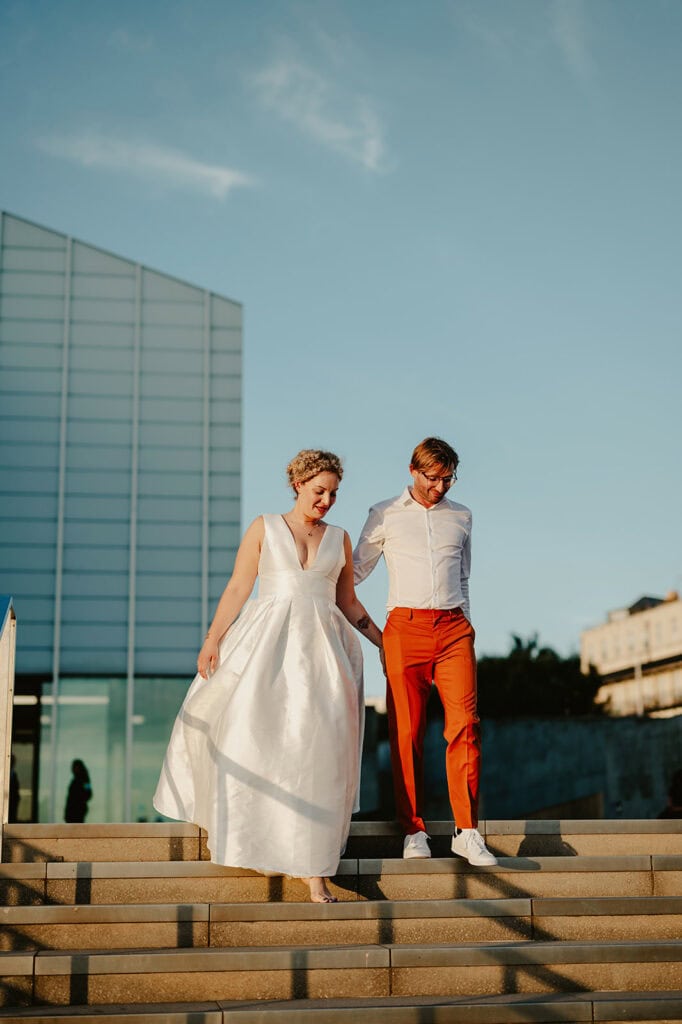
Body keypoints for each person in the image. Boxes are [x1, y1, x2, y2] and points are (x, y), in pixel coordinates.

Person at [154, 449, 383, 903]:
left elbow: (348, 602)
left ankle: (315, 871)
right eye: (319, 491)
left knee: (319, 753)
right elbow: (239, 586)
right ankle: (255, 837)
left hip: (323, 655)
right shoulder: (264, 526)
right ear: (298, 484)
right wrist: (213, 639)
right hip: (267, 646)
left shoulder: (338, 539)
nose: (327, 501)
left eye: (334, 493)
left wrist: (384, 642)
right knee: (257, 740)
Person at [353, 436, 497, 867]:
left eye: (447, 479)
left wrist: (467, 625)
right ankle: (413, 831)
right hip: (405, 628)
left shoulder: (462, 516)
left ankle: (466, 831)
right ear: (413, 471)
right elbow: (355, 573)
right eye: (432, 478)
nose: (439, 487)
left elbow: (463, 578)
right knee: (406, 733)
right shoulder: (384, 514)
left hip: (454, 629)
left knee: (465, 726)